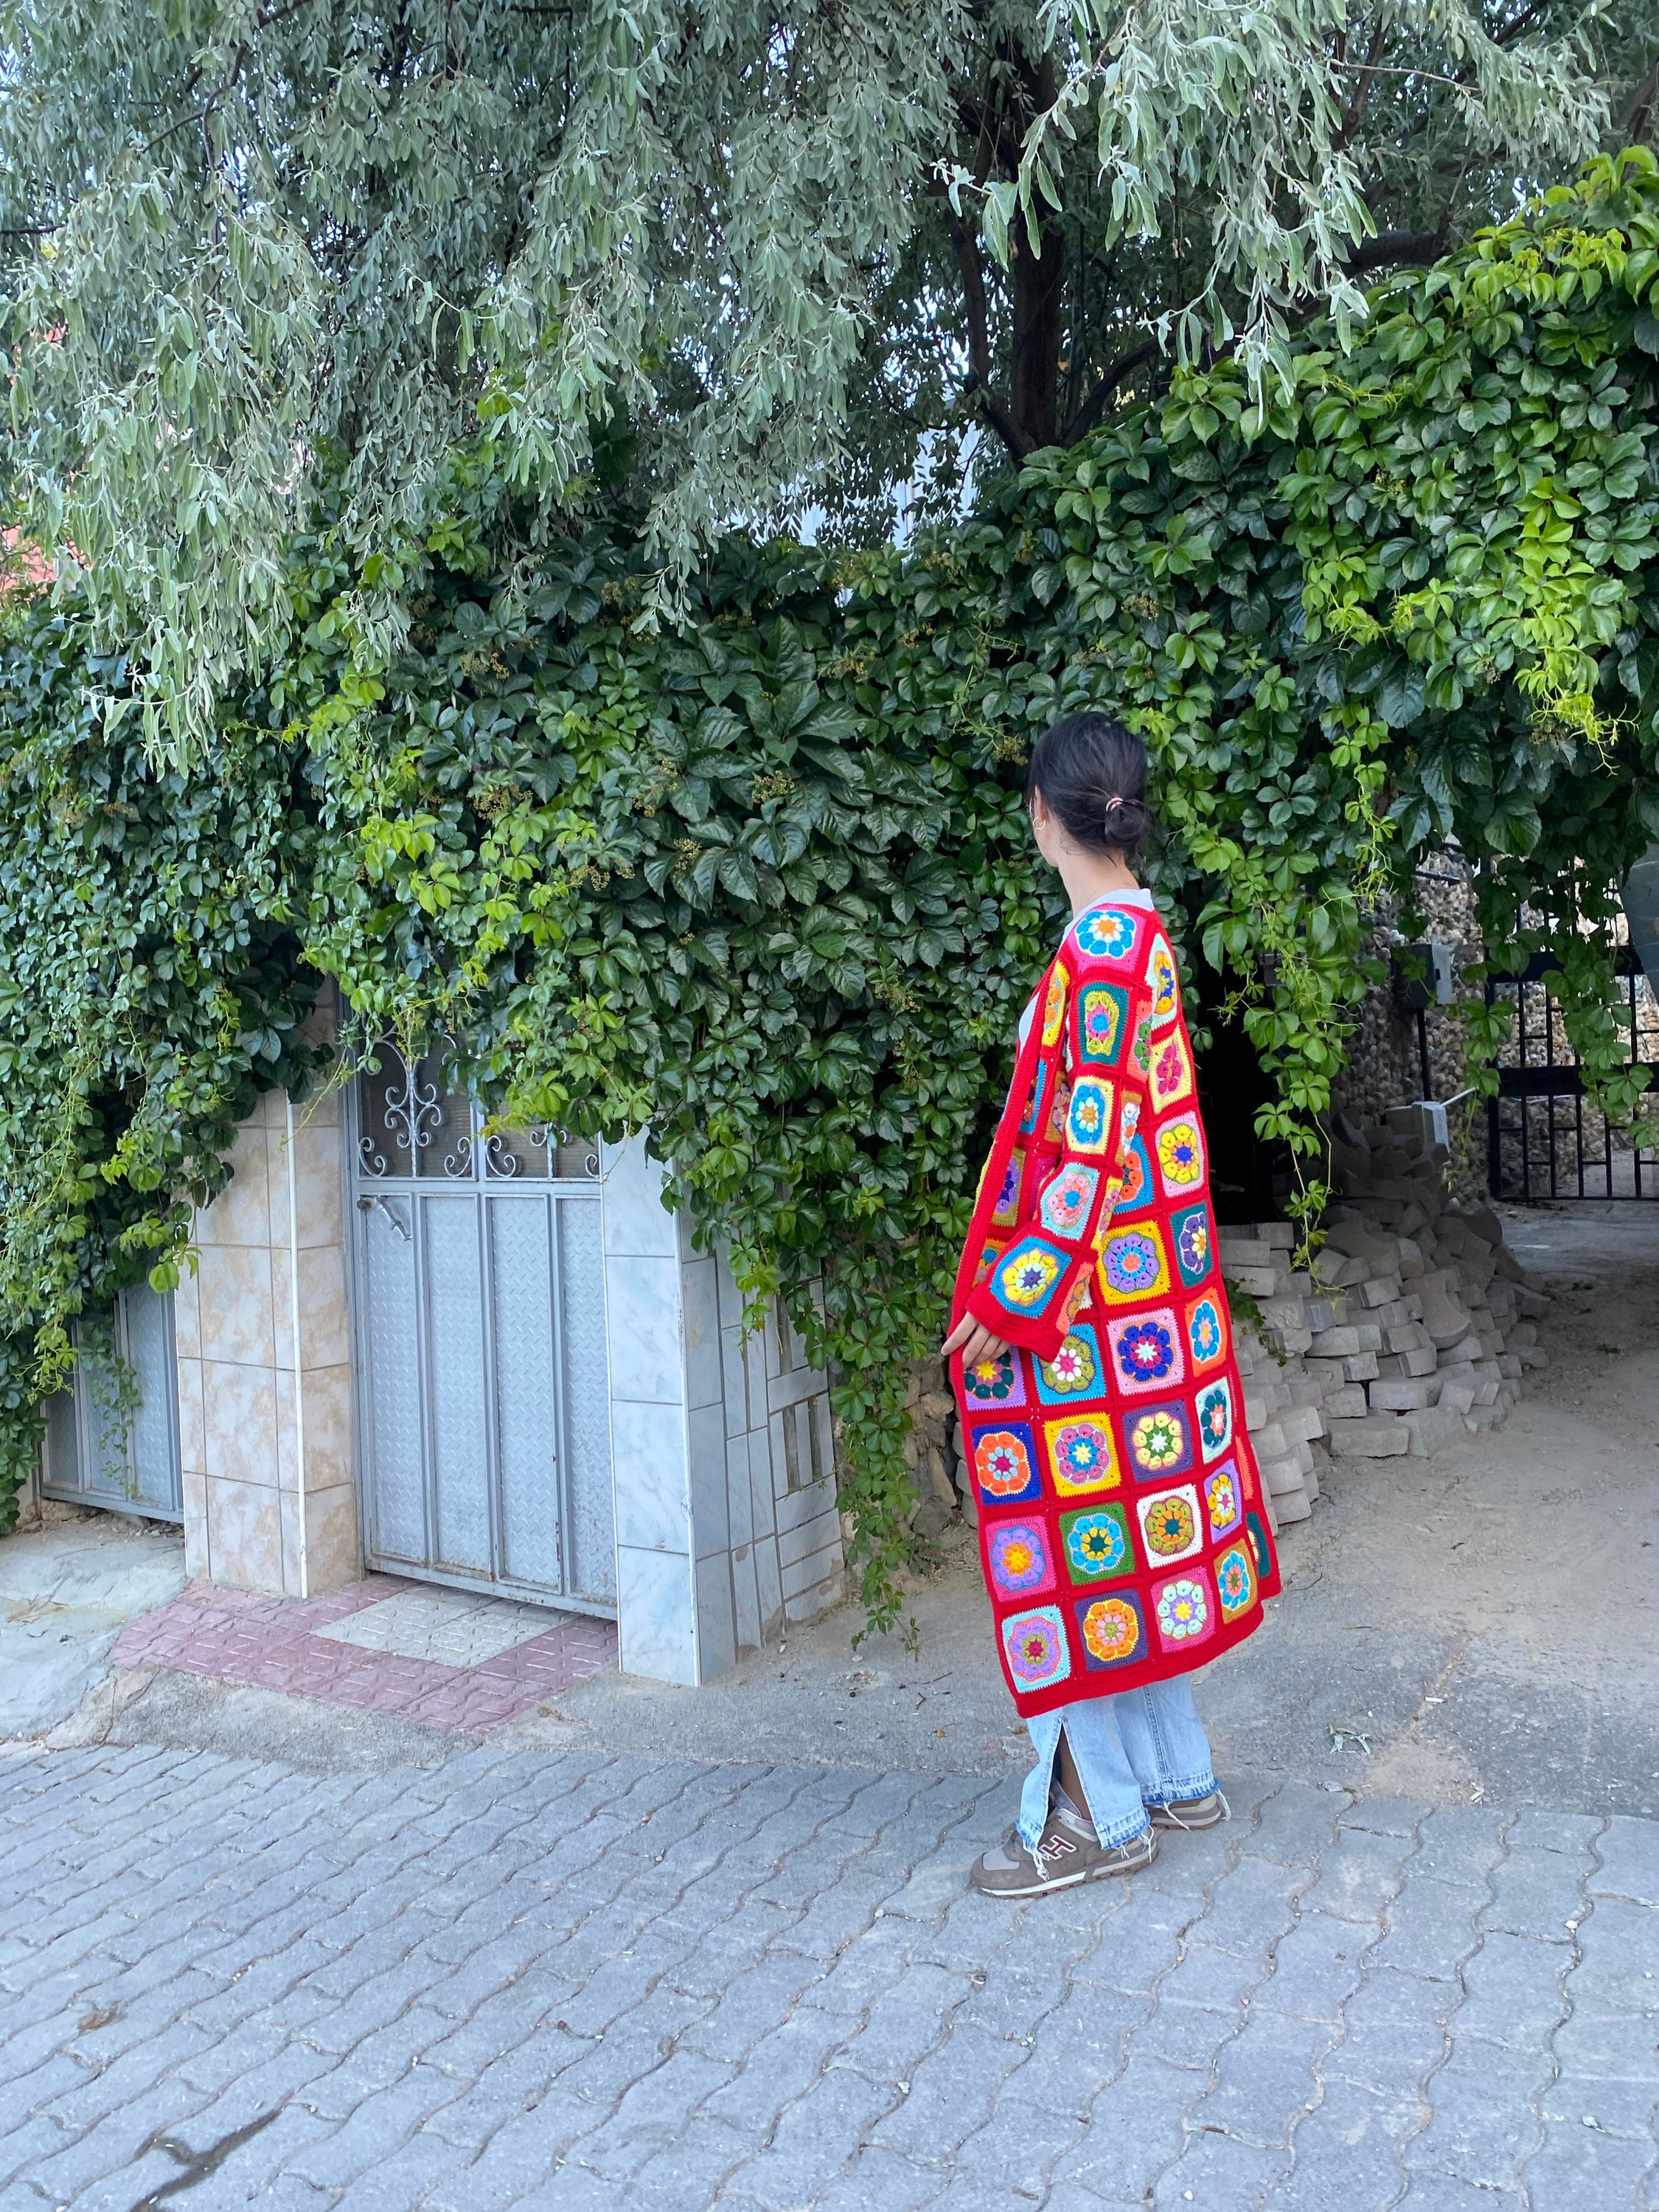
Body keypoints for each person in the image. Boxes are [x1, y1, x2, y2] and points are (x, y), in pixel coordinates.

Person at [940, 712, 1280, 1896]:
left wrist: (1013, 1296)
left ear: (1042, 812)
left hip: (1085, 1322)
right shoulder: (1140, 937)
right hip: (1145, 1315)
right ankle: (1173, 1777)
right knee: (1128, 1545)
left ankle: (1091, 1819)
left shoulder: (1099, 955)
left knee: (1068, 1555)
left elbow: (1085, 1155)